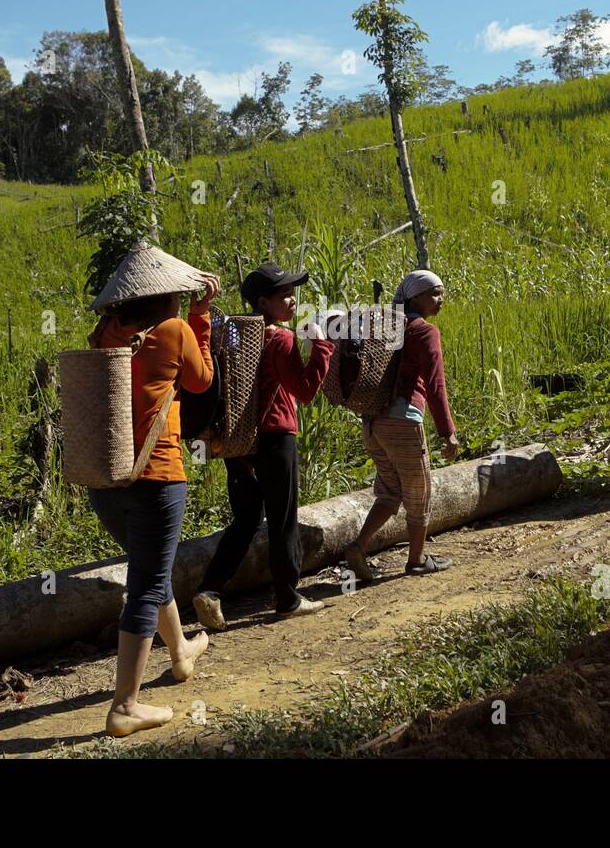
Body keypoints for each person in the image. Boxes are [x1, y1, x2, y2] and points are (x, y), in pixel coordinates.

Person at [85, 242, 218, 736]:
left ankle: (179, 649)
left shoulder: (105, 336)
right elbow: (202, 380)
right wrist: (201, 317)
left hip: (107, 479)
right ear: (169, 295)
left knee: (149, 565)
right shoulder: (174, 329)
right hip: (157, 475)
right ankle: (125, 705)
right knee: (145, 582)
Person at [193, 264, 336, 630]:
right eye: (283, 294)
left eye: (292, 291)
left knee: (245, 521)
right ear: (263, 302)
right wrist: (321, 346)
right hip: (276, 437)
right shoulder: (281, 340)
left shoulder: (239, 338)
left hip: (241, 441)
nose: (292, 299)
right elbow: (304, 391)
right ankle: (287, 598)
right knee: (283, 519)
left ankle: (210, 590)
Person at [342, 269, 459, 582]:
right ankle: (417, 559)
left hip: (372, 422)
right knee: (419, 491)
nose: (440, 299)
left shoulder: (387, 326)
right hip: (402, 421)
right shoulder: (423, 331)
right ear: (416, 297)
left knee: (390, 491)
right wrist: (448, 430)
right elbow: (435, 385)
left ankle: (358, 546)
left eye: (442, 292)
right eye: (435, 293)